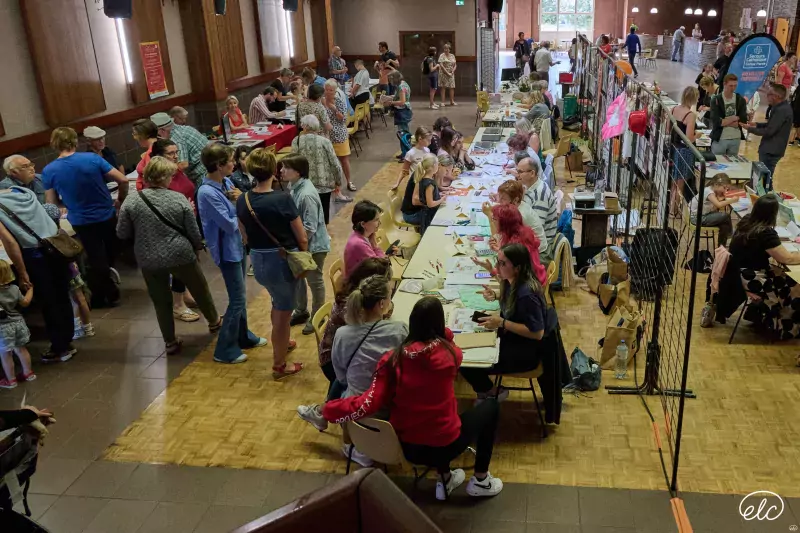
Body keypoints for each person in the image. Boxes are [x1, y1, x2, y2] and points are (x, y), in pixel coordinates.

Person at [322, 296, 504, 499]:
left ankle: (445, 478)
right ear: (438, 325)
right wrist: (439, 329)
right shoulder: (451, 354)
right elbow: (449, 339)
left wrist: (330, 408)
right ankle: (481, 480)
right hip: (445, 445)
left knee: (434, 413)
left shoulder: (392, 359)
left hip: (407, 446)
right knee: (490, 406)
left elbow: (369, 402)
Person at [117, 156, 221, 355]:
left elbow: (122, 233)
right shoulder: (178, 199)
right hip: (180, 254)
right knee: (200, 289)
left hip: (149, 258)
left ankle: (170, 341)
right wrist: (198, 246)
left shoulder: (132, 201)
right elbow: (193, 232)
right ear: (165, 177)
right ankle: (214, 322)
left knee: (161, 301)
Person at [296, 260, 396, 429]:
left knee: (361, 368)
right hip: (333, 359)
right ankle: (327, 412)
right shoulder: (351, 307)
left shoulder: (358, 298)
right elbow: (369, 331)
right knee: (360, 370)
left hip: (345, 351)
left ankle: (324, 411)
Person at [237, 149, 307, 380]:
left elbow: (244, 235)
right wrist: (303, 258)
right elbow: (302, 236)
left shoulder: (242, 199)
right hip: (282, 261)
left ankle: (284, 341)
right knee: (284, 311)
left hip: (258, 259)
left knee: (278, 303)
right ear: (274, 171)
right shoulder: (282, 198)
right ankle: (279, 365)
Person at [43, 127, 128, 308]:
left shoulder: (49, 170)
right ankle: (107, 290)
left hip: (81, 220)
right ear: (75, 141)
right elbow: (123, 180)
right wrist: (121, 199)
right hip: (106, 214)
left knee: (96, 257)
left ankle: (103, 292)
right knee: (111, 250)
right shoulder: (93, 159)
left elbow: (51, 203)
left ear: (54, 144)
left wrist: (66, 204)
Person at [196, 145, 266, 363]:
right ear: (218, 165)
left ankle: (243, 336)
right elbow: (228, 223)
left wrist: (239, 200)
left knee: (241, 294)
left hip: (237, 245)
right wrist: (239, 204)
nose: (233, 164)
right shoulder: (207, 192)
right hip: (227, 251)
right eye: (229, 161)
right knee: (237, 299)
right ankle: (224, 349)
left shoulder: (225, 182)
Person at [0, 186, 75, 363]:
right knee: (62, 295)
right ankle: (66, 341)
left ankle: (59, 348)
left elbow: (10, 242)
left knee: (49, 301)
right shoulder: (22, 191)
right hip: (54, 249)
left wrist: (22, 272)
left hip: (34, 256)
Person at [722, 194, 800, 366]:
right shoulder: (765, 233)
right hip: (754, 279)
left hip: (741, 275)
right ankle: (785, 327)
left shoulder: (746, 223)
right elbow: (786, 258)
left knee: (787, 278)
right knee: (795, 287)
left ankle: (768, 319)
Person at [279, 154, 331, 336]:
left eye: (286, 168)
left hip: (314, 246)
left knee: (315, 282)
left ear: (298, 172)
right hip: (302, 245)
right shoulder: (294, 187)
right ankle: (301, 311)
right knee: (299, 279)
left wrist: (298, 244)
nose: (281, 171)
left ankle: (319, 315)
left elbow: (310, 226)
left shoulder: (307, 194)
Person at [291, 114, 348, 224]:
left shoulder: (296, 141)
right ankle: (324, 233)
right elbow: (335, 164)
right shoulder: (324, 141)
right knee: (323, 211)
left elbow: (292, 162)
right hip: (323, 185)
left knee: (305, 213)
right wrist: (338, 181)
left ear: (304, 126)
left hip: (303, 185)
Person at [473, 204, 546, 285]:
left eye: (494, 219)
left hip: (529, 285)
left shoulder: (514, 246)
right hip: (538, 276)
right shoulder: (523, 233)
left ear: (504, 224)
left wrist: (490, 269)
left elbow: (506, 277)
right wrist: (500, 250)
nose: (492, 221)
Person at [744, 84, 793, 183]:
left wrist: (750, 129)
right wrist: (756, 124)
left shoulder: (781, 110)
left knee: (764, 179)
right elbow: (772, 125)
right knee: (765, 178)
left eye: (769, 94)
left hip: (771, 150)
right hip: (772, 148)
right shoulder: (780, 107)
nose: (766, 96)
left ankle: (766, 197)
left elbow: (770, 131)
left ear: (776, 96)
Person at [0, 260, 35, 388]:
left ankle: (11, 380)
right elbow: (25, 302)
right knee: (21, 349)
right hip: (18, 322)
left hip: (3, 327)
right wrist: (30, 289)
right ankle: (28, 373)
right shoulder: (14, 289)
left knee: (5, 354)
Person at [151, 112, 209, 186]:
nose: (158, 138)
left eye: (157, 135)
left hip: (202, 175)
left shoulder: (176, 139)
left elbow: (183, 165)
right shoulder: (184, 128)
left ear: (162, 130)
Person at [488, 179, 547, 253]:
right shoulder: (519, 204)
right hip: (528, 247)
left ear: (515, 200)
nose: (499, 201)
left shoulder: (518, 215)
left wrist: (489, 216)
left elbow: (501, 235)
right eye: (499, 196)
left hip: (538, 253)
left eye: (503, 199)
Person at [344, 200, 398, 277]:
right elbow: (380, 268)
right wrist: (376, 247)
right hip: (358, 285)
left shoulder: (365, 235)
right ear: (363, 224)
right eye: (376, 220)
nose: (379, 223)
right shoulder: (359, 244)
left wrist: (387, 255)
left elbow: (377, 262)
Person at [517, 157, 558, 251]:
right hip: (534, 242)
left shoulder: (540, 195)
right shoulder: (531, 186)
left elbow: (535, 229)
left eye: (520, 172)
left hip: (540, 249)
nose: (517, 175)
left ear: (532, 173)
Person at [323, 79, 356, 193]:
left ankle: (349, 181)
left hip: (339, 133)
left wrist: (334, 109)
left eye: (331, 90)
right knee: (330, 162)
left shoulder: (339, 101)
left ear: (335, 90)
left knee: (344, 160)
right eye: (326, 90)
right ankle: (334, 185)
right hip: (326, 135)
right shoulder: (321, 101)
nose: (328, 92)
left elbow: (344, 119)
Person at [670, 86, 699, 211]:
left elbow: (668, 129)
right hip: (684, 151)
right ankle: (674, 210)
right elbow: (689, 138)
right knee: (680, 183)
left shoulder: (673, 109)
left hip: (673, 147)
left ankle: (671, 207)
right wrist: (698, 135)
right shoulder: (690, 115)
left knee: (674, 182)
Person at [690, 173, 735, 245]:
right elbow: (718, 205)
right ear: (716, 185)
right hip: (697, 218)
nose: (725, 191)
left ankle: (721, 248)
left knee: (724, 224)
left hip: (701, 215)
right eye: (724, 188)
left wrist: (720, 199)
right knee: (726, 216)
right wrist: (732, 200)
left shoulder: (710, 190)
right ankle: (731, 235)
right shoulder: (709, 192)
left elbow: (714, 207)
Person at [709, 74, 748, 156]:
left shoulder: (740, 100)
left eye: (735, 86)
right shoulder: (716, 100)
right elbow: (717, 122)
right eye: (730, 86)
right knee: (716, 164)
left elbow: (743, 121)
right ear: (724, 84)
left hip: (735, 138)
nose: (733, 88)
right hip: (720, 138)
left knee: (732, 165)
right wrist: (734, 118)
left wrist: (725, 121)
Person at [408, 153, 443, 234]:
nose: (438, 166)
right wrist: (441, 200)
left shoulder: (423, 179)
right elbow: (430, 203)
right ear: (433, 166)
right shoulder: (429, 184)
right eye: (437, 164)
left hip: (427, 213)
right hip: (429, 215)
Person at [392, 126, 431, 190]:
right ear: (420, 139)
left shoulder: (427, 150)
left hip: (425, 181)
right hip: (415, 183)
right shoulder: (410, 153)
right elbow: (404, 171)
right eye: (428, 140)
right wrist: (397, 183)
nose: (430, 142)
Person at [134, 118, 159, 191]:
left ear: (142, 135)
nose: (134, 138)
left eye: (135, 134)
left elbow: (152, 178)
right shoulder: (160, 144)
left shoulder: (151, 153)